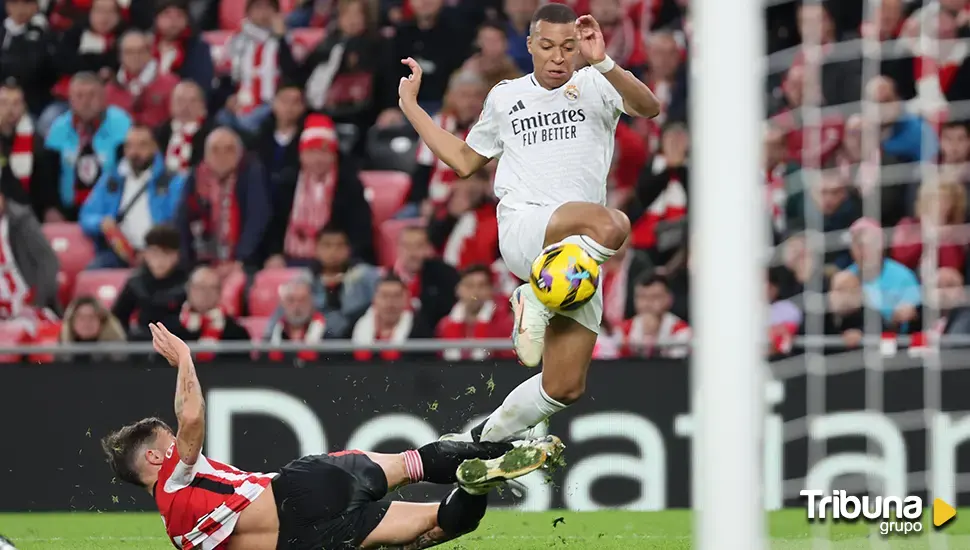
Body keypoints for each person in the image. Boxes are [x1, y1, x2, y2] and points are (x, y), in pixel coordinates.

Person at [397, 3, 659, 444]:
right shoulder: (506, 96)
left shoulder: (597, 81)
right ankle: (535, 296)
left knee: (563, 386)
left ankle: (481, 442)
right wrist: (411, 107)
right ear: (530, 45)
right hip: (524, 227)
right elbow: (464, 160)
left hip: (576, 257)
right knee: (614, 226)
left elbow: (648, 108)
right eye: (548, 46)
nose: (559, 57)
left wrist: (604, 61)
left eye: (568, 47)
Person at [102, 322, 561, 550]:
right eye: (169, 441)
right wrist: (184, 358)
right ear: (158, 460)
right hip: (297, 489)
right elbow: (194, 418)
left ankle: (474, 484)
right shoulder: (176, 480)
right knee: (412, 463)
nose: (177, 443)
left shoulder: (178, 534)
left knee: (445, 524)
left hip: (308, 544)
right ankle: (510, 448)